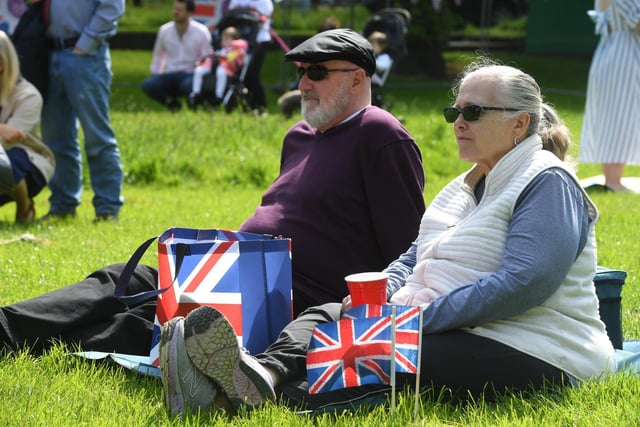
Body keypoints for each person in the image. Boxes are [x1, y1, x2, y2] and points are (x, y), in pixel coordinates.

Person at [159, 55, 616, 417]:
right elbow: (413, 255)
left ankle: (225, 397)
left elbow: (522, 285)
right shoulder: (462, 186)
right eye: (454, 111)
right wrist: (380, 295)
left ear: (520, 124)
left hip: (538, 346)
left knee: (372, 351)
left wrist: (415, 319)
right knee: (330, 311)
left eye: (473, 113)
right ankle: (261, 374)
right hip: (444, 322)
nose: (458, 122)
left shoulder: (547, 183)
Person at [0, 29, 425, 360]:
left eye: (316, 72)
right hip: (232, 272)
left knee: (147, 320)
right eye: (299, 72)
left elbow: (408, 249)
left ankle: (40, 343)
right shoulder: (299, 135)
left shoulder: (380, 134)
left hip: (293, 300)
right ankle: (8, 328)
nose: (304, 83)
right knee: (124, 279)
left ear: (356, 79)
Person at [36, 0, 124, 222]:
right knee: (55, 138)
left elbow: (112, 7)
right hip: (49, 52)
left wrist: (85, 43)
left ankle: (107, 208)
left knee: (97, 137)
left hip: (86, 56)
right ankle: (62, 205)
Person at [579, 0, 640, 193]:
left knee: (617, 115)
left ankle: (613, 179)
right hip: (625, 55)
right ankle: (613, 181)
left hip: (614, 52)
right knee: (620, 116)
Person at [0, 31, 54, 224]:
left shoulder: (29, 96)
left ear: (1, 64)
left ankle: (24, 206)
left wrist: (4, 133)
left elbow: (6, 143)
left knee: (4, 162)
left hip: (26, 162)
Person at [141, 0, 212, 112]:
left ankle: (194, 106)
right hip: (171, 74)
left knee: (188, 85)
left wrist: (201, 70)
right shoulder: (164, 30)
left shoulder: (201, 32)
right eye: (174, 9)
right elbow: (158, 55)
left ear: (189, 13)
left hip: (191, 74)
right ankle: (174, 105)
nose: (175, 12)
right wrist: (157, 74)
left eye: (179, 10)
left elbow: (207, 57)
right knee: (149, 84)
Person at [225, 0, 273, 114]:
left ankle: (261, 106)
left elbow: (267, 17)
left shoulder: (264, 2)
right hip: (239, 43)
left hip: (259, 41)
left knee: (252, 75)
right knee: (241, 75)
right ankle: (247, 106)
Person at [188, 26, 248, 110]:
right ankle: (195, 93)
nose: (223, 42)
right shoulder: (221, 49)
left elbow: (234, 57)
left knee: (221, 71)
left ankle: (219, 95)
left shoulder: (237, 50)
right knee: (198, 71)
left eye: (227, 39)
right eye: (223, 39)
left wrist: (227, 53)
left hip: (227, 69)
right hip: (213, 67)